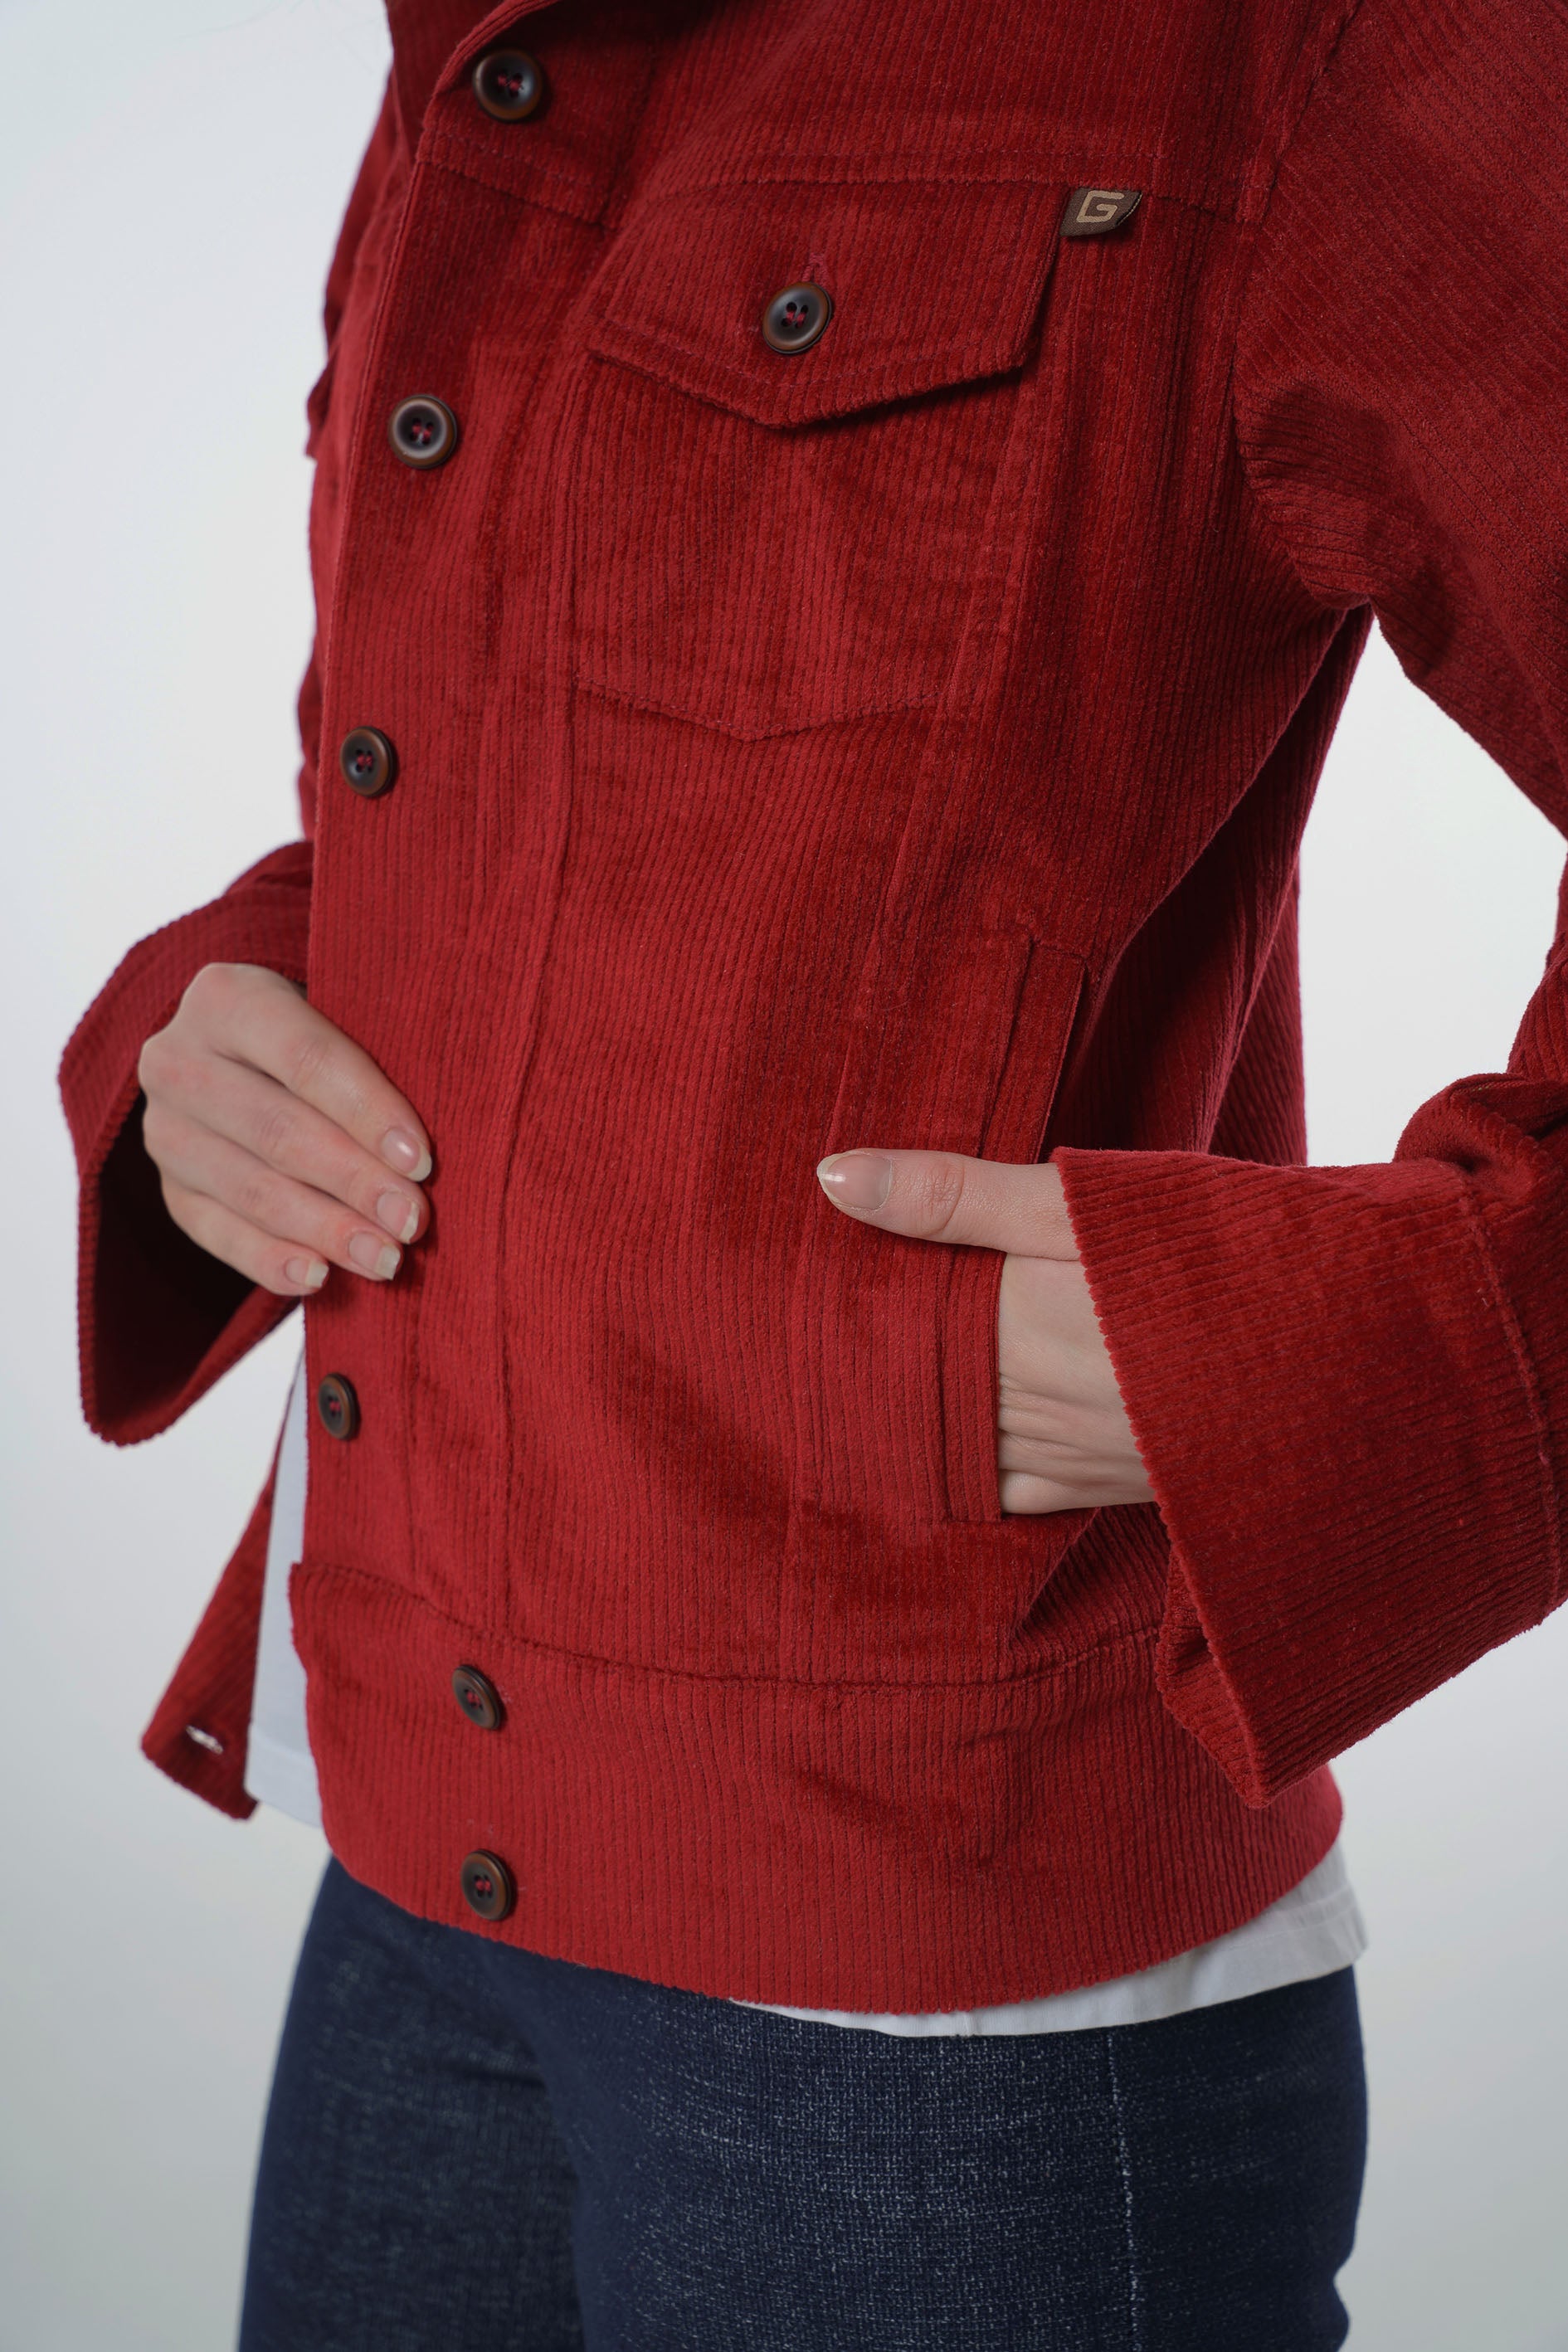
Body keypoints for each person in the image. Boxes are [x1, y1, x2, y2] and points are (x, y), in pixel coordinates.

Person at [57, 0, 1568, 2343]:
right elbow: (533, 776)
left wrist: (1317, 1355)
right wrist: (209, 1028)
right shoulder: (478, 40)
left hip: (950, 2010)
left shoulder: (1304, 47)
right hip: (408, 1864)